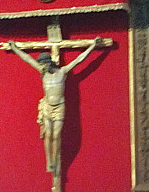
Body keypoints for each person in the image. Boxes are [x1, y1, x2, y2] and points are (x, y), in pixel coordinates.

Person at [8, 38, 101, 175]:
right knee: (49, 135)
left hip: (59, 107)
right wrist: (15, 48)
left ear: (49, 63)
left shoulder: (62, 72)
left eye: (44, 64)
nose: (42, 67)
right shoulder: (43, 72)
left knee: (57, 135)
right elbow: (27, 59)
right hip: (47, 106)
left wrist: (93, 46)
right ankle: (49, 161)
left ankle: (55, 159)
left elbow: (80, 59)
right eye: (41, 65)